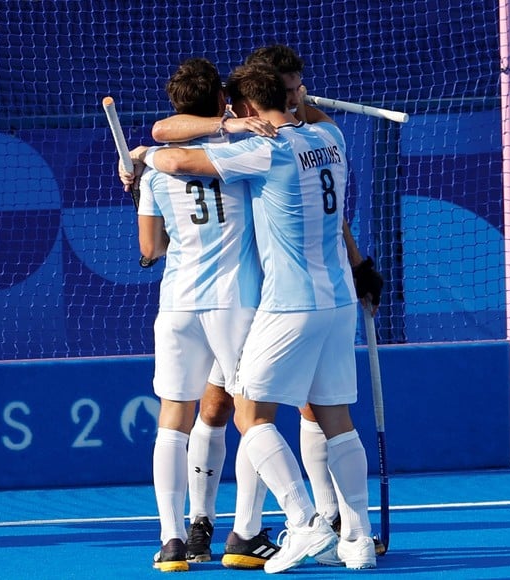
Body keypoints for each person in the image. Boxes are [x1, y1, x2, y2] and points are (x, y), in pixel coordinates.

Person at [131, 61, 379, 573]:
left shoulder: (262, 151)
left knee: (251, 416)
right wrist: (362, 267)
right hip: (336, 301)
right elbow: (305, 115)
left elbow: (170, 156)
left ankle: (304, 522)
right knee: (335, 418)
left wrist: (142, 159)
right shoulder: (331, 135)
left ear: (242, 107)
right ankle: (355, 537)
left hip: (287, 305)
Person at [133, 57, 278, 573]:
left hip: (177, 304)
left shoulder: (155, 170)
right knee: (253, 415)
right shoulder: (243, 150)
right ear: (220, 102)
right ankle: (246, 533)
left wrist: (141, 188)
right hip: (234, 303)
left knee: (175, 418)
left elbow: (150, 249)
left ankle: (173, 539)